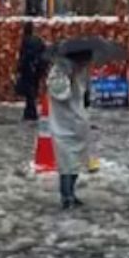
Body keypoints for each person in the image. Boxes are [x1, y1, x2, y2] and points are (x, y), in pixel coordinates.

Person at [48, 51, 91, 209]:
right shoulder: (58, 72)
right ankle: (66, 195)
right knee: (66, 162)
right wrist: (70, 79)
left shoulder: (81, 71)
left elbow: (83, 96)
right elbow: (60, 94)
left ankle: (71, 192)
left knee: (75, 163)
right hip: (62, 124)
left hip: (78, 123)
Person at [15, 22, 47, 121]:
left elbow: (24, 56)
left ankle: (30, 111)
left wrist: (19, 68)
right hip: (37, 68)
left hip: (28, 69)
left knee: (29, 91)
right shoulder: (38, 40)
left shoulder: (25, 41)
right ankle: (30, 111)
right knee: (34, 88)